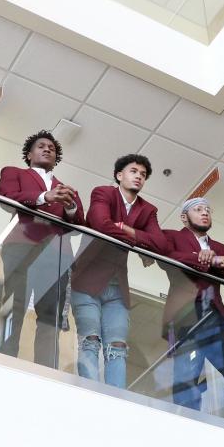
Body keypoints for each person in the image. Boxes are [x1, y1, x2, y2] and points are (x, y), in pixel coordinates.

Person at [69, 154, 169, 388]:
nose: (139, 177)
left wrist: (126, 229)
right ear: (119, 175)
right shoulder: (103, 193)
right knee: (90, 341)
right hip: (86, 281)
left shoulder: (147, 209)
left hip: (117, 287)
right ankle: (90, 393)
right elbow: (100, 223)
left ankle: (116, 398)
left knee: (118, 347)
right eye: (134, 171)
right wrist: (141, 241)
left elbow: (161, 245)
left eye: (143, 175)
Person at [161, 197, 224, 425]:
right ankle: (186, 427)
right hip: (185, 316)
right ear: (184, 217)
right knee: (186, 375)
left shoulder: (222, 248)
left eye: (208, 210)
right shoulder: (172, 236)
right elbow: (166, 258)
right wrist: (201, 259)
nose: (205, 213)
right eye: (198, 209)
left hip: (215, 315)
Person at [0, 130, 84, 367]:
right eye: (41, 146)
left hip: (57, 254)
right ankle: (4, 360)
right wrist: (45, 196)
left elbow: (78, 225)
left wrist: (71, 205)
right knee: (14, 303)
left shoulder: (66, 189)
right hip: (22, 245)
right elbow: (6, 196)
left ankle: (45, 370)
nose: (47, 150)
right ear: (29, 154)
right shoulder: (13, 172)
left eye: (52, 149)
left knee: (50, 315)